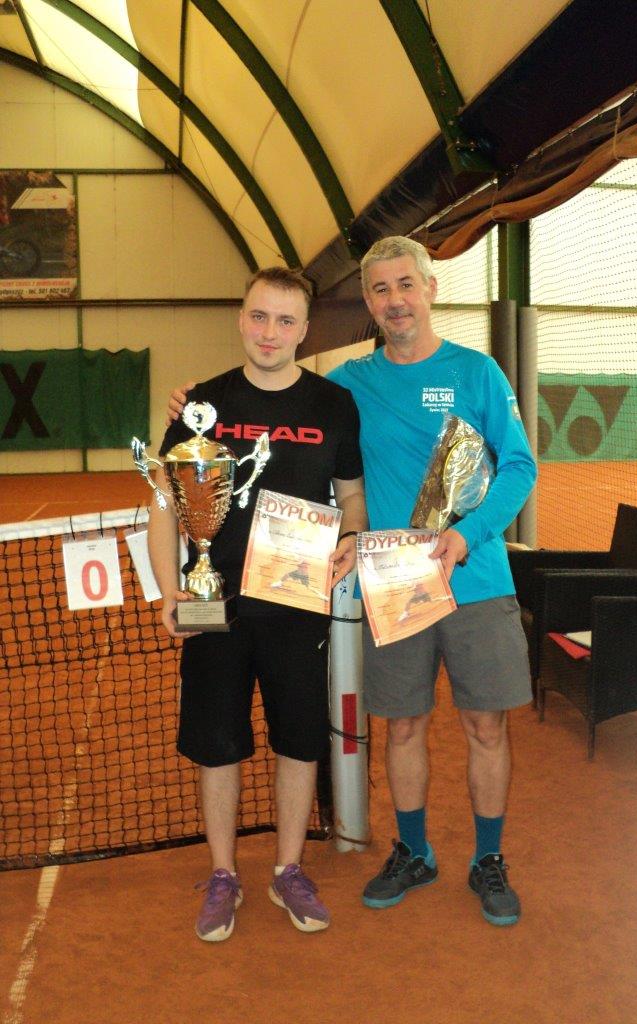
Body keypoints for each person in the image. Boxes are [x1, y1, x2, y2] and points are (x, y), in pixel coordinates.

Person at [169, 236, 536, 927]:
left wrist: (469, 535)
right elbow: (283, 399)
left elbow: (520, 467)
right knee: (402, 726)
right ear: (367, 301)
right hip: (392, 584)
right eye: (380, 289)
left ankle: (488, 858)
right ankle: (414, 851)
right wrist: (194, 410)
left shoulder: (479, 372)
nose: (395, 300)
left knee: (486, 725)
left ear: (430, 289)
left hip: (476, 576)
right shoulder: (348, 388)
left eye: (406, 285)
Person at [149, 266, 366, 942]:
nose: (270, 332)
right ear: (242, 319)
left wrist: (352, 538)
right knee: (218, 746)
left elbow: (351, 495)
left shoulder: (334, 405)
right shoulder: (200, 404)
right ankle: (222, 874)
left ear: (304, 331)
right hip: (213, 607)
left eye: (285, 320)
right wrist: (170, 588)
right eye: (259, 316)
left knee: (298, 741)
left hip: (297, 606)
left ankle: (287, 868)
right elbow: (165, 502)